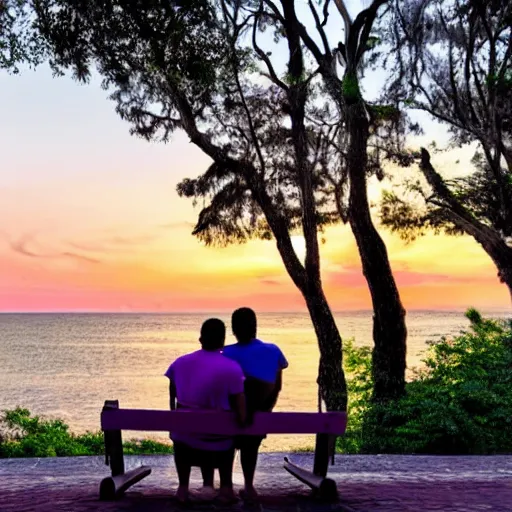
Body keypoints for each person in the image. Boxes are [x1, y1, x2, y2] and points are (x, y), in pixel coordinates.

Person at [164, 318, 246, 505]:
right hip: (219, 444)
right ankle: (226, 488)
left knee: (180, 431)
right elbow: (241, 411)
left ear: (201, 339)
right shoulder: (232, 367)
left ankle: (183, 488)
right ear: (223, 341)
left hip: (186, 443)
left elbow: (173, 399)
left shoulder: (179, 364)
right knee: (229, 432)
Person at [224, 307, 288, 501]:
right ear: (255, 327)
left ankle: (226, 487)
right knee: (250, 444)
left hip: (230, 416)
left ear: (233, 329)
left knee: (228, 442)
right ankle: (249, 486)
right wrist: (266, 410)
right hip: (260, 414)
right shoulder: (274, 350)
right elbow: (277, 386)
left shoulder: (224, 353)